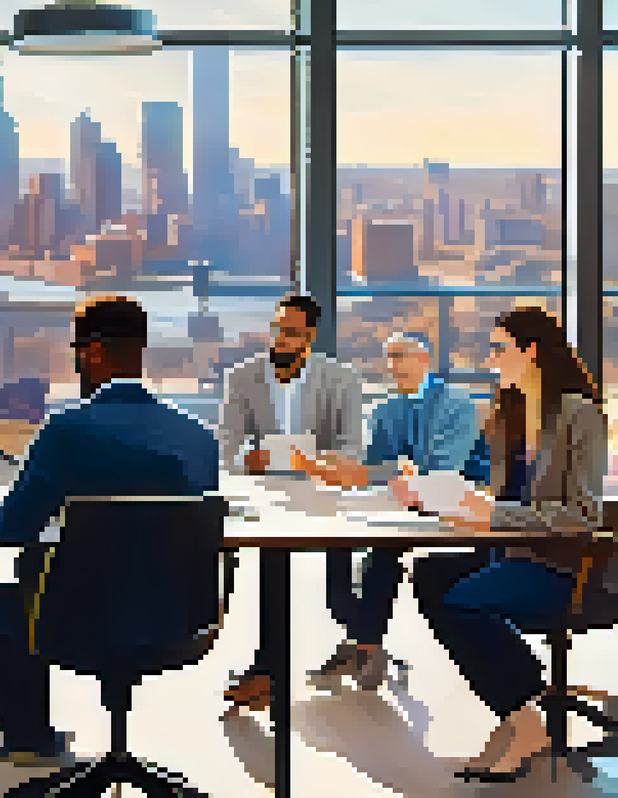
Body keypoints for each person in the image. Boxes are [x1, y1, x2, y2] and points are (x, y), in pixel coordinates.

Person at [0, 296, 218, 766]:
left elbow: (12, 529)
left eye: (78, 348)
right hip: (179, 618)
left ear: (93, 354)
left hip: (74, 621)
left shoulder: (66, 431)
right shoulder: (198, 436)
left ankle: (29, 741)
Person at [408, 307, 610, 783]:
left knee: (463, 605)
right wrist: (437, 496)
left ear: (531, 351)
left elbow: (584, 515)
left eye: (499, 348)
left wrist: (493, 514)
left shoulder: (579, 415)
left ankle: (524, 716)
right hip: (512, 551)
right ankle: (518, 714)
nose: (490, 357)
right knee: (430, 575)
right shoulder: (509, 412)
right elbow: (503, 497)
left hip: (559, 567)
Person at [293, 332, 480, 692]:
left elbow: (442, 469)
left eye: (401, 356)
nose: (393, 365)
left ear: (424, 359)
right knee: (337, 539)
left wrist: (384, 473)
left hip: (450, 506)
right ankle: (363, 639)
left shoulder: (458, 404)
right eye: (389, 357)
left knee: (383, 550)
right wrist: (342, 471)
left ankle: (363, 646)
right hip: (399, 502)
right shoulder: (385, 410)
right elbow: (375, 470)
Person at [216, 294, 363, 714]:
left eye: (292, 332)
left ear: (310, 336)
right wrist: (249, 459)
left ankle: (365, 639)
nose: (281, 338)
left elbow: (352, 448)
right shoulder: (243, 377)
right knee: (272, 565)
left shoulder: (341, 380)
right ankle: (268, 671)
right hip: (266, 495)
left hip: (325, 493)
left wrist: (316, 464)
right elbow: (225, 447)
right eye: (278, 328)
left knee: (340, 584)